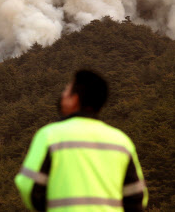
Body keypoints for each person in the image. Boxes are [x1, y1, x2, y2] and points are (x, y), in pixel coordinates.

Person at [14, 70, 148, 211]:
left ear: (75, 99)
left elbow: (27, 185)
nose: (63, 95)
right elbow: (136, 197)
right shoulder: (121, 141)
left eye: (66, 91)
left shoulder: (50, 135)